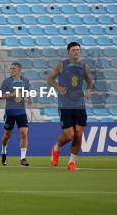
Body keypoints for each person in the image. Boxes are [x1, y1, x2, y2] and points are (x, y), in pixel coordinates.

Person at [48, 42, 94, 171]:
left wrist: (89, 90)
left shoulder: (84, 66)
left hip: (79, 104)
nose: (76, 52)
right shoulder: (61, 65)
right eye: (74, 50)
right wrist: (58, 87)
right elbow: (50, 79)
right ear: (69, 51)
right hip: (65, 104)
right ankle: (56, 147)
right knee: (69, 135)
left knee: (79, 134)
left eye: (78, 49)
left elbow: (90, 82)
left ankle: (71, 163)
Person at [0, 62, 32, 167]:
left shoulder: (25, 81)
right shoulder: (7, 82)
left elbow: (28, 92)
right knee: (7, 135)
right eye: (11, 68)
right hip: (10, 112)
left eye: (14, 68)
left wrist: (29, 98)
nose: (11, 70)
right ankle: (4, 150)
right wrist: (11, 95)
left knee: (24, 133)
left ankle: (23, 158)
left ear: (19, 69)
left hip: (21, 112)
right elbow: (0, 96)